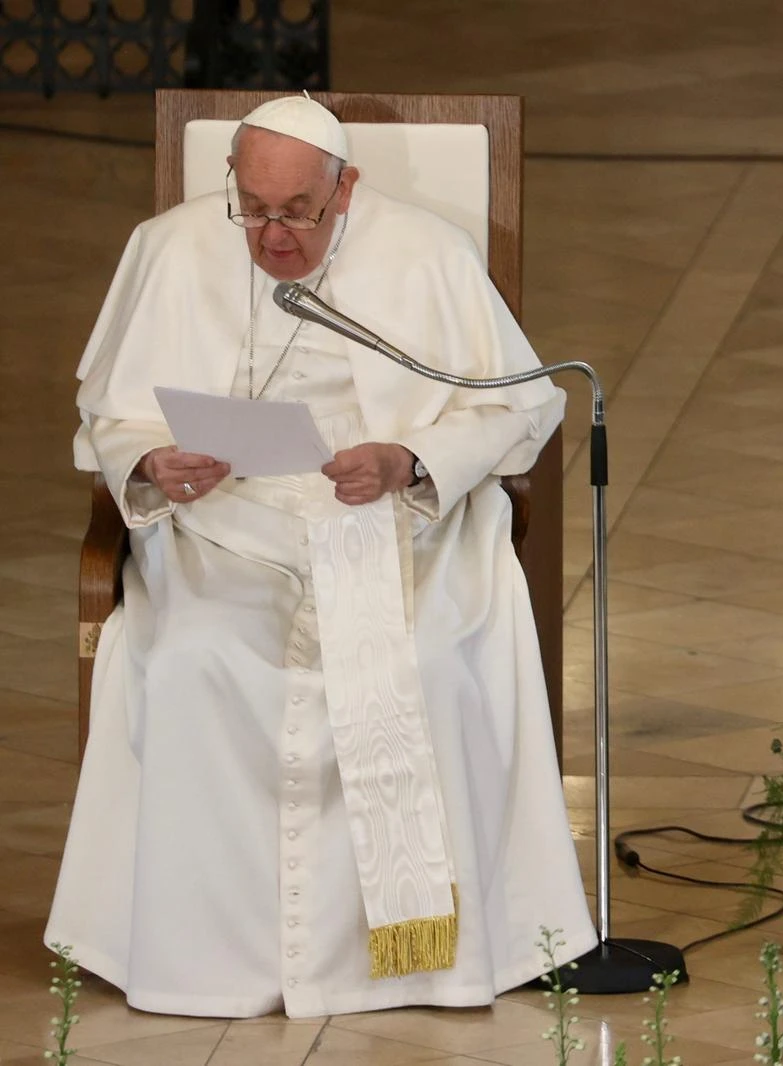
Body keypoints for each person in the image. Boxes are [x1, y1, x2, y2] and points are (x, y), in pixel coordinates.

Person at [45, 93, 597, 1019]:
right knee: (191, 660)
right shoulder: (171, 247)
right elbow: (111, 412)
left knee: (422, 663)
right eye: (253, 211)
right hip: (225, 521)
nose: (272, 238)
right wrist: (150, 459)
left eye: (296, 213)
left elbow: (516, 405)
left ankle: (413, 958)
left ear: (345, 191)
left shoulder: (425, 253)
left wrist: (410, 458)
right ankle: (202, 957)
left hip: (392, 519)